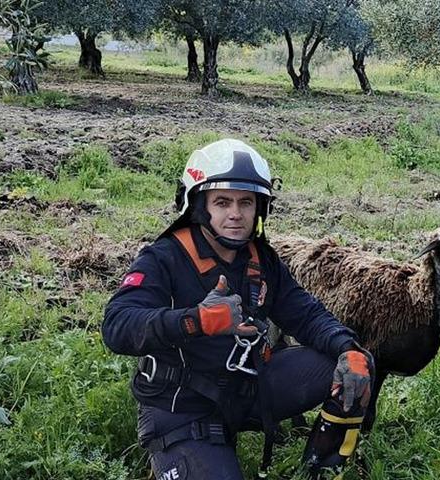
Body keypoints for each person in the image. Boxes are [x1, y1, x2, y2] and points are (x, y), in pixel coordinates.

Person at [102, 138, 373, 479]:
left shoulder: (262, 259)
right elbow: (117, 326)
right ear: (199, 206)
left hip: (245, 389)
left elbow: (306, 314)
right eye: (222, 202)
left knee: (354, 365)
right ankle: (178, 457)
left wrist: (348, 348)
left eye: (246, 202)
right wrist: (196, 320)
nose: (235, 213)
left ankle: (319, 467)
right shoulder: (164, 257)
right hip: (182, 407)